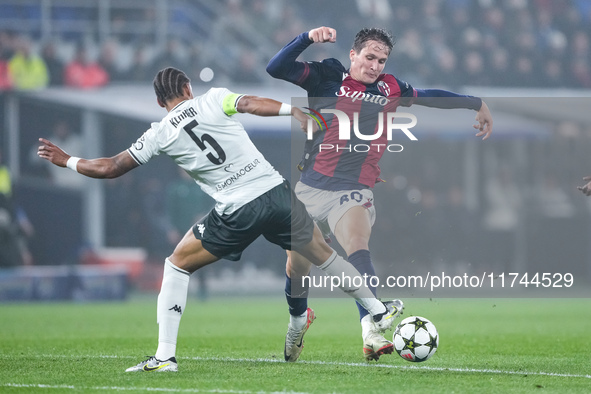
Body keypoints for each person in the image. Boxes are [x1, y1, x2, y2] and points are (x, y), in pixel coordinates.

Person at [37, 67, 403, 372]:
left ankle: (165, 356)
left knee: (176, 264)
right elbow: (249, 103)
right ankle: (377, 310)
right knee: (325, 254)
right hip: (276, 192)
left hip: (238, 207)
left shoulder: (159, 133)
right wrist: (289, 111)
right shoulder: (212, 99)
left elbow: (111, 167)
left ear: (159, 101)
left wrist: (66, 160)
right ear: (187, 88)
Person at [267, 26, 493, 361]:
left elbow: (429, 95)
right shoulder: (327, 75)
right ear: (353, 55)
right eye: (370, 57)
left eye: (382, 60)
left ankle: (371, 332)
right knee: (296, 268)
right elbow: (276, 68)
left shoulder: (391, 87)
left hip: (355, 189)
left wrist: (474, 103)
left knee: (358, 246)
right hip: (310, 188)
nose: (375, 66)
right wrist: (305, 39)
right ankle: (298, 321)